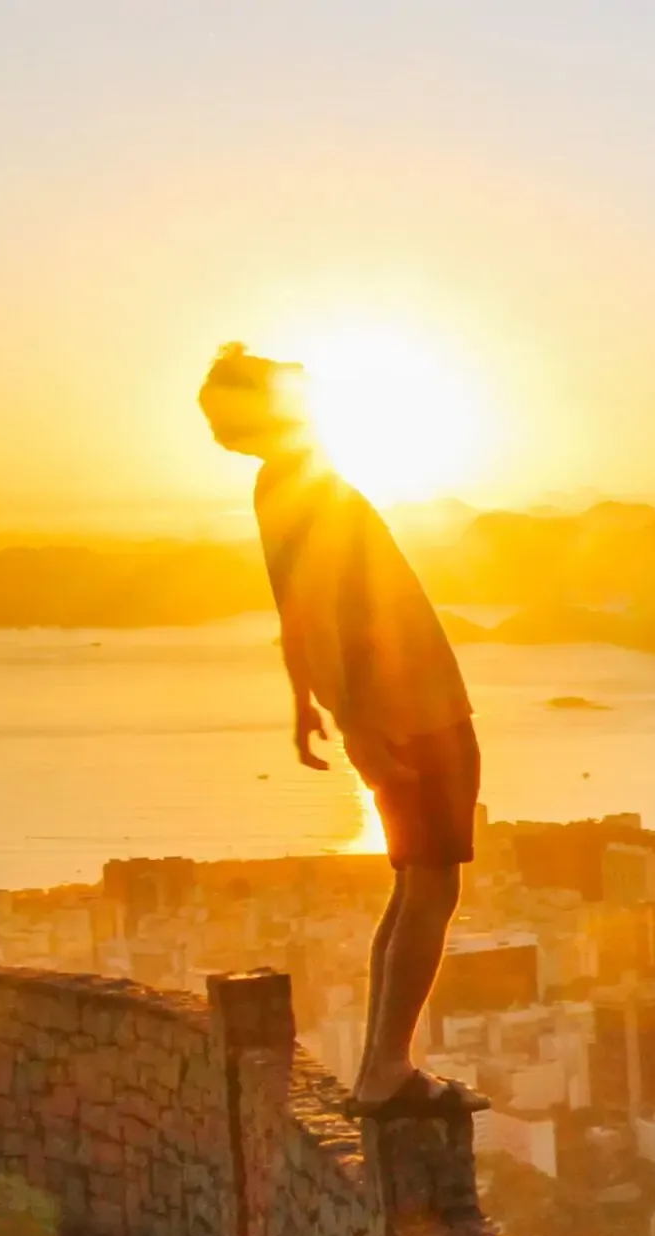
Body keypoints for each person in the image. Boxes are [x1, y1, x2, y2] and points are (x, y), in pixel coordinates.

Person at [199, 342, 488, 1116]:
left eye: (215, 413)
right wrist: (350, 720)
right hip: (413, 708)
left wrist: (307, 702)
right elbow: (316, 611)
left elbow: (295, 613)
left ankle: (376, 1069)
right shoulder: (305, 485)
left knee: (411, 888)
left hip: (394, 704)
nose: (212, 431)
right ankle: (388, 1069)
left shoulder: (280, 484)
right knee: (433, 889)